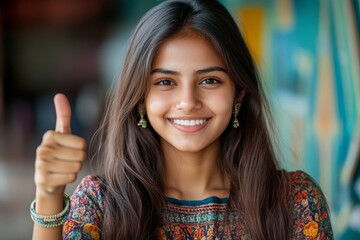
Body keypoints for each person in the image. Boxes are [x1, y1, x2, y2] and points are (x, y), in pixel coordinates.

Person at [31, 0, 334, 239]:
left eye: (210, 81)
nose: (188, 102)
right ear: (140, 98)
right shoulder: (100, 204)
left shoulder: (295, 202)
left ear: (238, 94)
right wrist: (48, 196)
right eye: (165, 82)